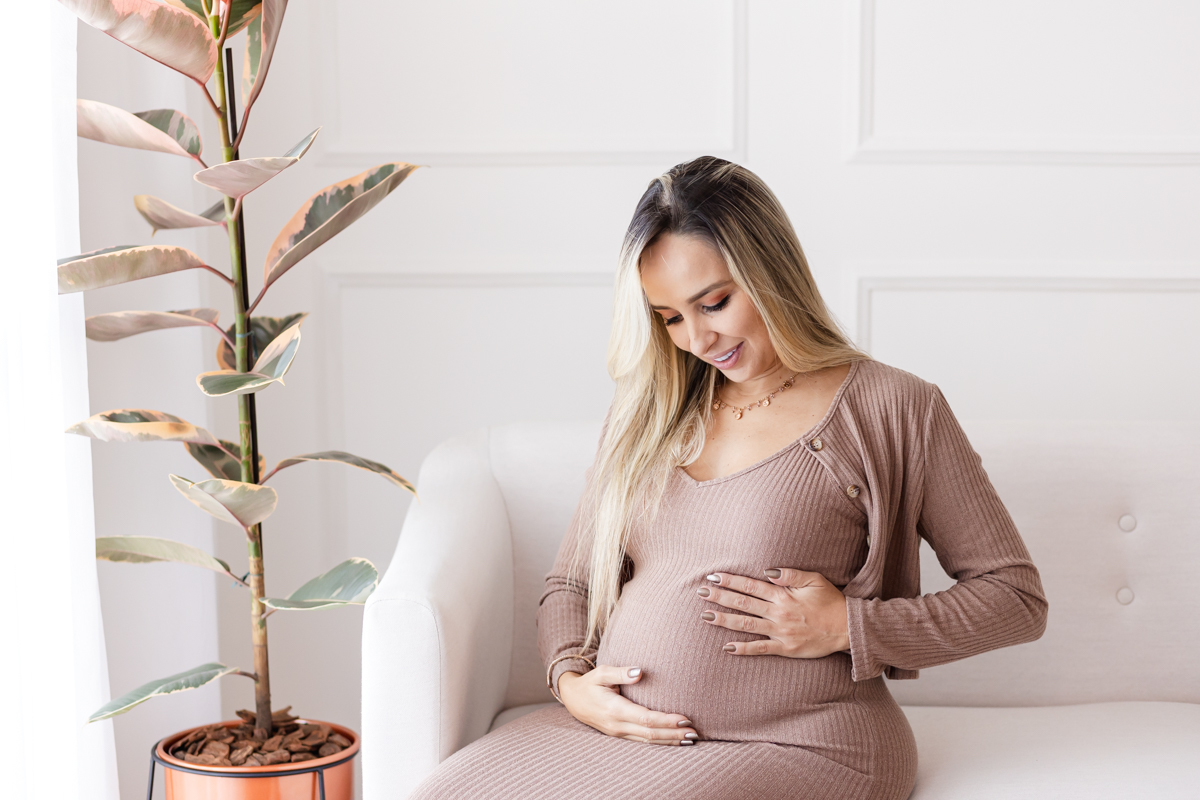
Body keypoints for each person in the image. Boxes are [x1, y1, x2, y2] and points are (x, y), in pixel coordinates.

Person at [409, 156, 1049, 800]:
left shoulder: (893, 408)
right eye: (669, 317)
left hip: (805, 744)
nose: (697, 338)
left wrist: (847, 627)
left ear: (770, 271)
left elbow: (1015, 599)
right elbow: (572, 580)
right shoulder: (649, 412)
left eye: (713, 302)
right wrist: (573, 683)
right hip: (621, 737)